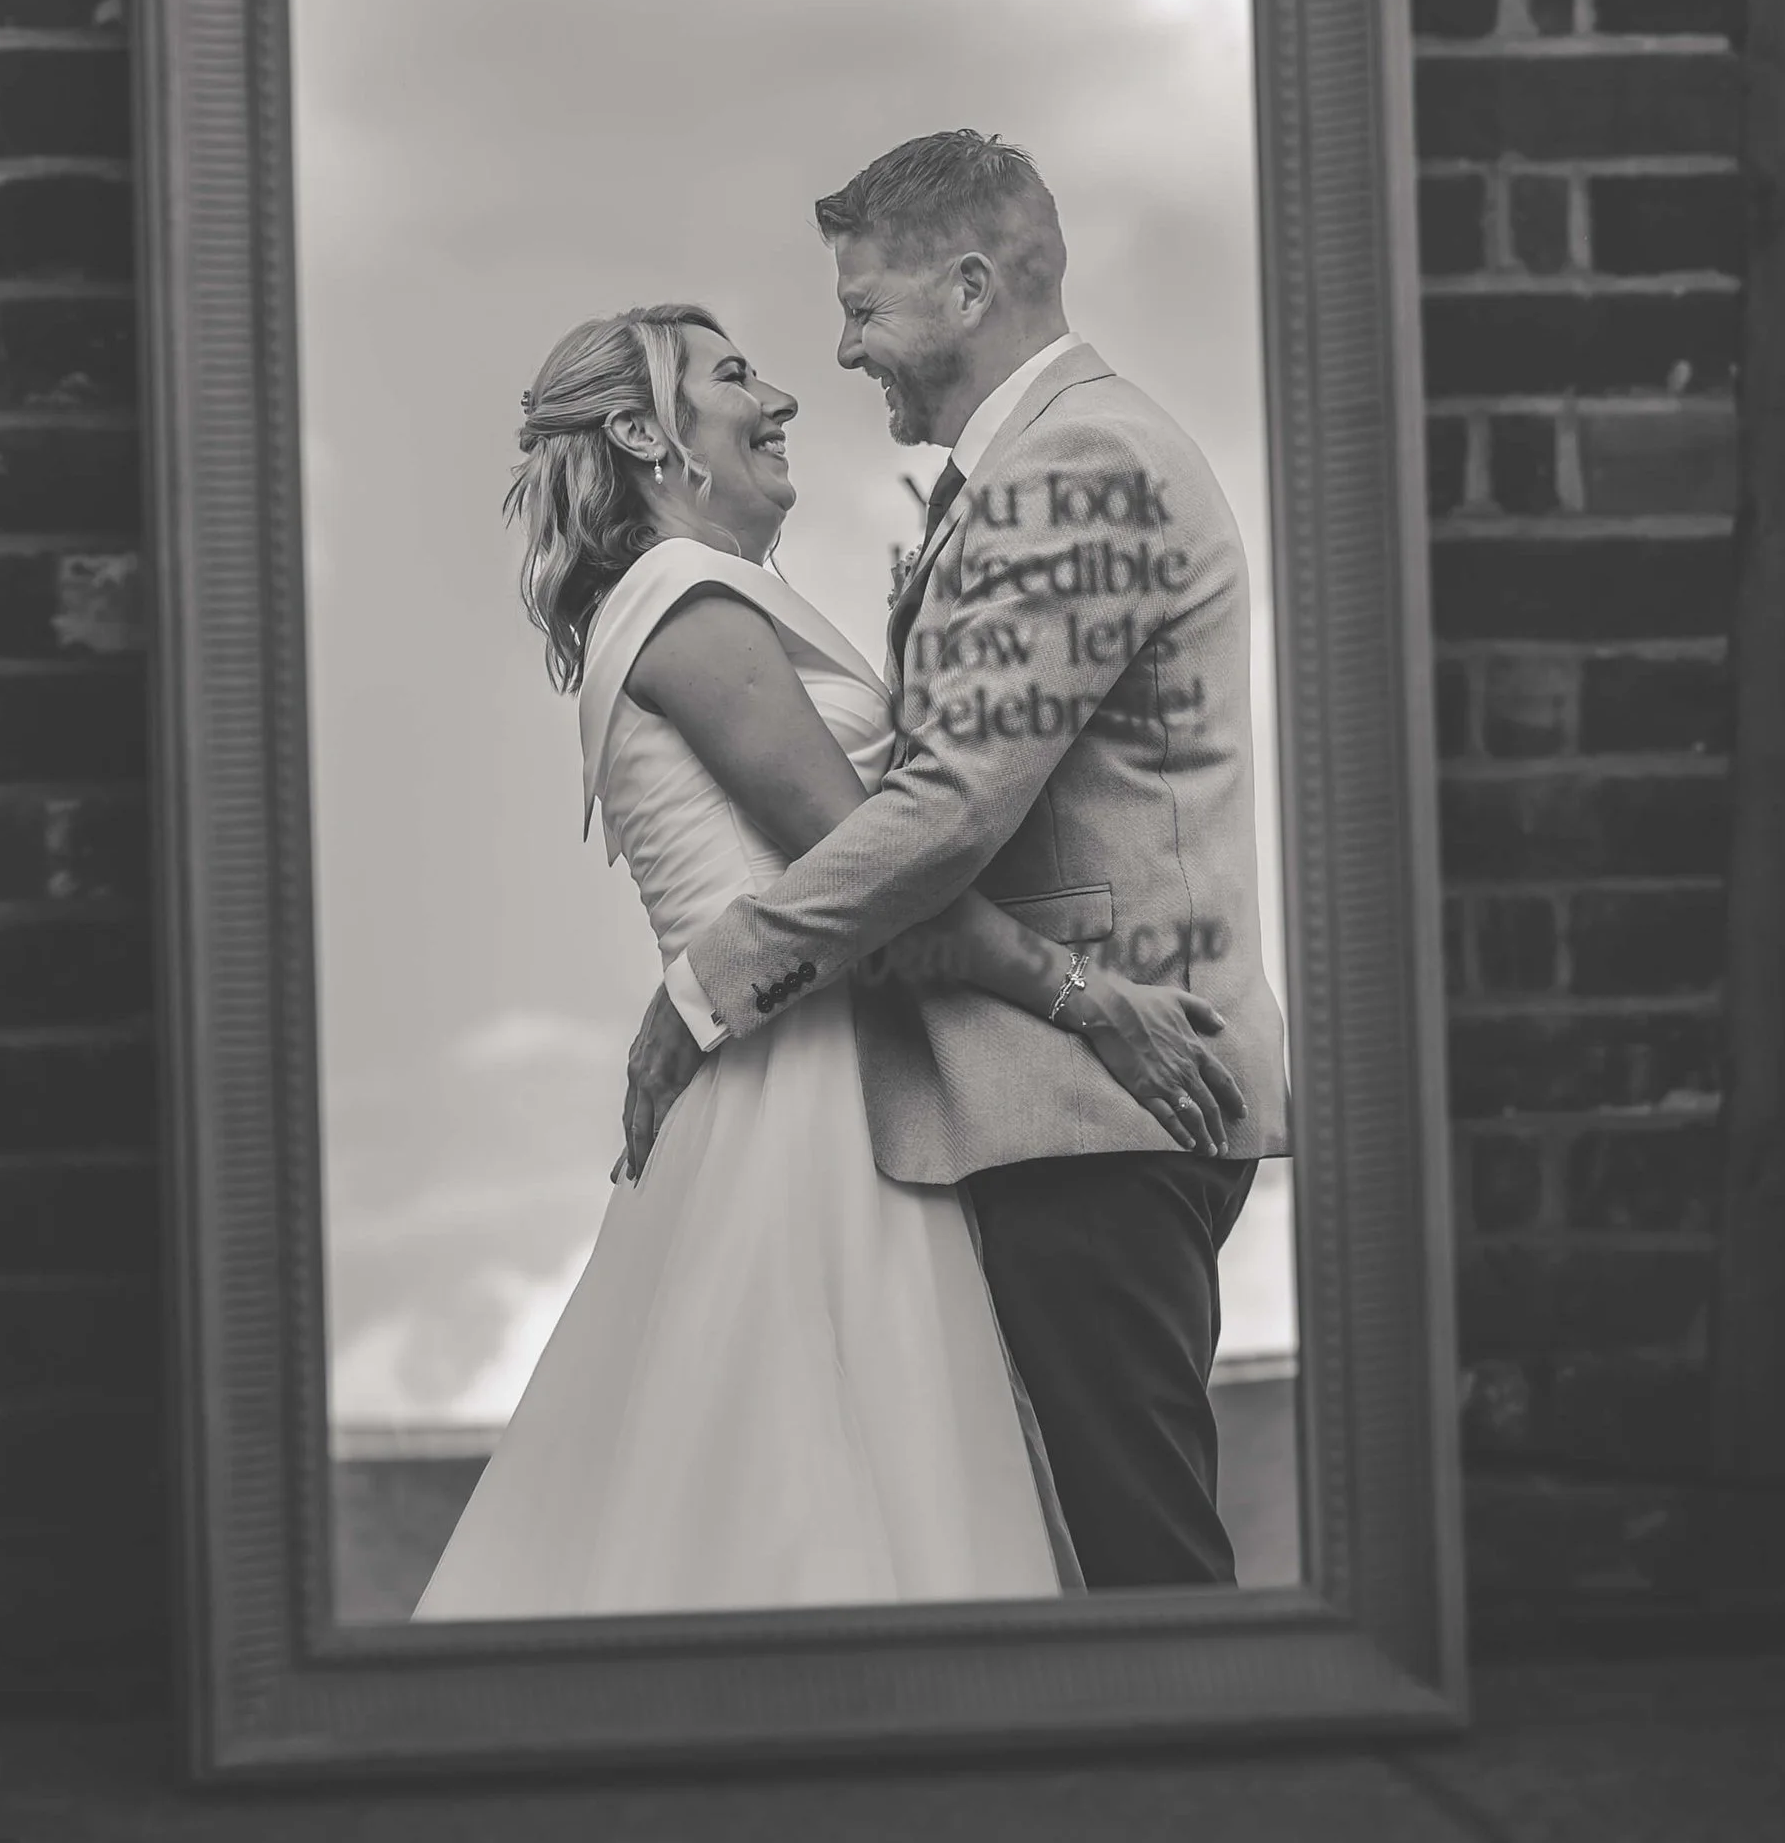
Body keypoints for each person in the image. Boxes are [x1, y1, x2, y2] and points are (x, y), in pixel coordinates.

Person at [414, 300, 1242, 1619]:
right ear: (640, 430)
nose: (780, 396)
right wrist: (1091, 1003)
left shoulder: (714, 600)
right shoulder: (684, 604)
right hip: (799, 1111)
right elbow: (873, 880)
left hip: (836, 1083)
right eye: (732, 375)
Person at [627, 134, 1291, 1590]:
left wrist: (712, 979)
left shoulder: (1078, 464)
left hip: (1095, 1101)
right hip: (1064, 1102)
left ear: (971, 282)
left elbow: (949, 807)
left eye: (863, 306)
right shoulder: (1042, 467)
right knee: (1093, 1555)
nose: (845, 346)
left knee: (1145, 1563)